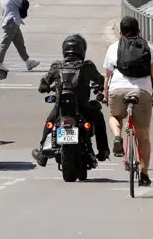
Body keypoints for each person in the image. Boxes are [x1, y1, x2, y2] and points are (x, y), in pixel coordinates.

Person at [31, 34, 109, 167]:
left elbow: (42, 85)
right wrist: (101, 87)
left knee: (50, 121)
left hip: (61, 108)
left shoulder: (57, 66)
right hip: (82, 107)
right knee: (98, 117)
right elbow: (100, 80)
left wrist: (47, 87)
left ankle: (43, 154)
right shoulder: (87, 66)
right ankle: (103, 151)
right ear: (82, 50)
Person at [104, 16, 153, 187]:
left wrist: (106, 95)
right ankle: (144, 174)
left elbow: (107, 76)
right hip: (142, 93)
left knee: (114, 116)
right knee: (143, 135)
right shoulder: (149, 49)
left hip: (118, 90)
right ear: (139, 31)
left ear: (120, 33)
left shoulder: (113, 48)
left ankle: (118, 137)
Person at [0, 0, 40, 72]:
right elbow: (23, 3)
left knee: (20, 43)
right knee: (4, 43)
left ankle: (28, 62)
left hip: (11, 21)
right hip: (12, 22)